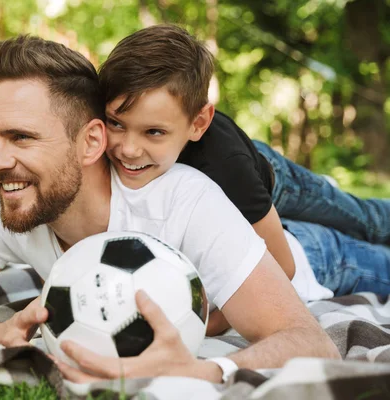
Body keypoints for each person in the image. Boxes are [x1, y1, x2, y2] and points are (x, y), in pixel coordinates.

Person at [0, 35, 339, 384]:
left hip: (312, 255)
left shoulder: (187, 198)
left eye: (21, 137)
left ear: (91, 141)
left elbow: (312, 341)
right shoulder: (9, 190)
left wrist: (208, 370)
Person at [96, 24, 390, 304]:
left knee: (363, 219)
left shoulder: (225, 168)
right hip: (241, 179)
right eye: (116, 124)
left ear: (197, 124)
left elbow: (283, 266)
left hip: (274, 179)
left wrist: (212, 323)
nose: (129, 149)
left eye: (154, 132)